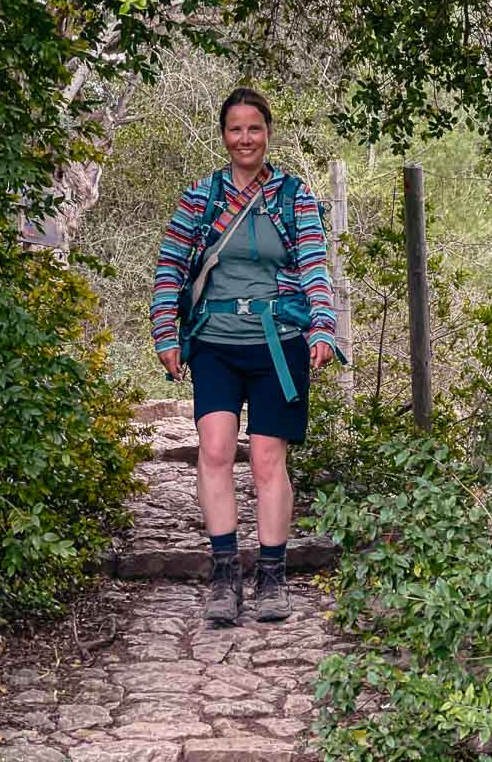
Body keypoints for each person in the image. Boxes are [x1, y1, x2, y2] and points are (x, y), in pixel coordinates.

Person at [150, 87, 337, 624]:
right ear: (224, 135)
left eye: (254, 128)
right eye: (236, 129)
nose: (245, 138)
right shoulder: (200, 198)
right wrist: (166, 333)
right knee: (213, 450)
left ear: (267, 133)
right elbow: (170, 267)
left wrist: (322, 326)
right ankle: (224, 574)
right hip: (215, 340)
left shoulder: (294, 197)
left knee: (266, 459)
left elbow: (314, 264)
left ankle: (272, 577)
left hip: (279, 341)